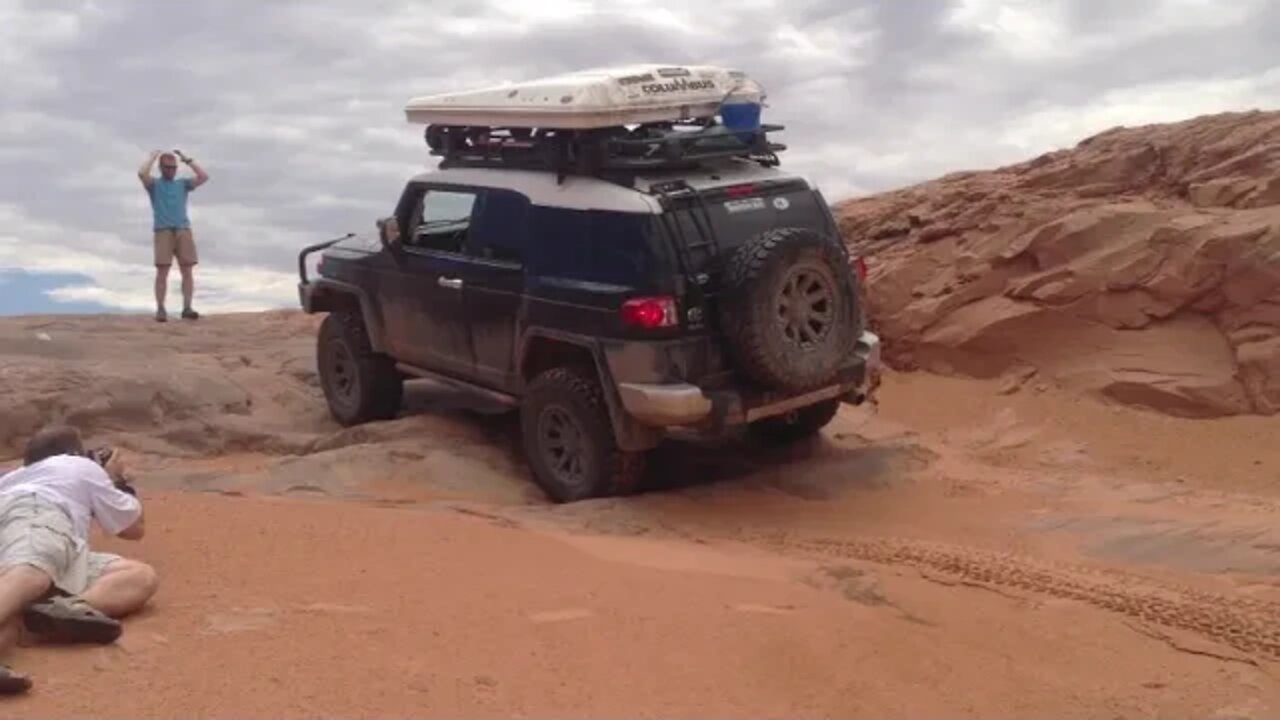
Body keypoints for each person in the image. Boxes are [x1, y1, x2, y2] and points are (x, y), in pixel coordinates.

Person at [0, 425, 158, 696]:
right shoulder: (76, 466)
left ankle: (54, 612)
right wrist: (115, 479)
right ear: (73, 453)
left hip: (57, 545)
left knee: (138, 575)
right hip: (35, 518)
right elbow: (133, 528)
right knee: (31, 573)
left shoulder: (11, 479)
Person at [138, 149, 209, 323]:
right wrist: (152, 158)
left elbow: (203, 177)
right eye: (168, 167)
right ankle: (161, 309)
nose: (171, 170)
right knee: (162, 270)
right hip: (163, 230)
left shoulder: (182, 184)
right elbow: (141, 173)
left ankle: (187, 308)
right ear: (161, 168)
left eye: (173, 167)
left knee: (187, 270)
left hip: (183, 229)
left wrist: (187, 160)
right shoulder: (154, 185)